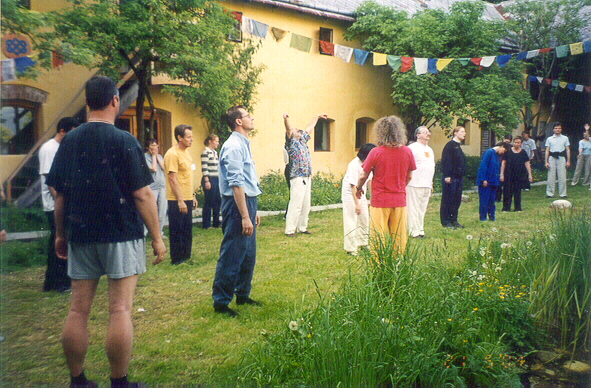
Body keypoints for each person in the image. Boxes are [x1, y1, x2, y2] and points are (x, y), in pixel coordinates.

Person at [46, 76, 166, 388]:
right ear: (115, 100)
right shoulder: (125, 141)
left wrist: (60, 234)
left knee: (77, 310)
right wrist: (156, 237)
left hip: (82, 234)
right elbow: (142, 195)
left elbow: (59, 195)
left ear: (87, 102)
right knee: (120, 310)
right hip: (121, 235)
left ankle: (78, 381)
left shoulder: (68, 141)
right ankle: (119, 382)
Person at [212, 105, 262, 317]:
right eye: (247, 115)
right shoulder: (233, 146)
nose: (251, 118)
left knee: (248, 254)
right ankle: (221, 302)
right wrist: (244, 216)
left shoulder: (243, 144)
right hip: (236, 205)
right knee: (233, 253)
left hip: (247, 202)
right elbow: (236, 184)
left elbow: (247, 182)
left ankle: (243, 294)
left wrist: (253, 211)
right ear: (239, 122)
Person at [356, 115, 416, 254]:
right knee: (399, 238)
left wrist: (359, 188)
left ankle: (378, 267)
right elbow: (410, 175)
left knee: (378, 236)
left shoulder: (376, 152)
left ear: (380, 132)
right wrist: (399, 186)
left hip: (380, 200)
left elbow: (363, 175)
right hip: (399, 200)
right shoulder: (407, 151)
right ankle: (398, 266)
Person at [39, 116, 78, 292]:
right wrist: (61, 203)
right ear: (63, 131)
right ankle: (58, 283)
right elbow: (51, 181)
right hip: (54, 205)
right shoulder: (49, 148)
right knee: (58, 242)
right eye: (71, 132)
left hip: (62, 203)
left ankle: (53, 282)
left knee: (61, 242)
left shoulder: (63, 147)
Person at [283, 112, 328, 237]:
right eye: (295, 129)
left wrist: (317, 117)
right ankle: (290, 230)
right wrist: (286, 119)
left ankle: (302, 227)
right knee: (296, 204)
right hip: (297, 176)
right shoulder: (291, 143)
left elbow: (309, 127)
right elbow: (288, 128)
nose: (298, 130)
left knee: (306, 204)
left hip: (307, 175)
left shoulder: (302, 141)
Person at [164, 124, 197, 265]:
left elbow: (188, 176)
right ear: (179, 138)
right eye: (188, 137)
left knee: (187, 228)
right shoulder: (172, 154)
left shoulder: (187, 153)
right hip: (177, 199)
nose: (192, 140)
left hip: (188, 196)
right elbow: (172, 179)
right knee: (177, 228)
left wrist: (193, 196)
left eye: (192, 137)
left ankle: (186, 255)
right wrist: (180, 200)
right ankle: (177, 259)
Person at [342, 143, 376, 255]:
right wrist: (357, 204)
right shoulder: (354, 164)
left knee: (364, 218)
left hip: (362, 193)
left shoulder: (369, 164)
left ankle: (363, 243)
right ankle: (351, 248)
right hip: (350, 194)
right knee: (351, 219)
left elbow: (370, 181)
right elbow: (353, 186)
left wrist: (372, 198)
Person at [406, 126, 435, 238]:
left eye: (428, 132)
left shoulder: (429, 149)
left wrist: (431, 183)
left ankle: (420, 230)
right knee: (413, 208)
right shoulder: (413, 148)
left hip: (426, 184)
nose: (428, 134)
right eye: (425, 132)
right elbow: (407, 165)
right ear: (418, 135)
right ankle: (413, 231)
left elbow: (431, 166)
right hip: (414, 183)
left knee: (422, 208)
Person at [440, 126, 467, 229]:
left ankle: (454, 220)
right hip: (451, 178)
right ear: (455, 133)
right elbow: (446, 161)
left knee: (456, 200)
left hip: (458, 178)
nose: (464, 133)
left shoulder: (458, 146)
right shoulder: (450, 145)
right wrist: (447, 175)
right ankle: (446, 222)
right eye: (462, 131)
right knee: (448, 200)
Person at [477, 143, 509, 221]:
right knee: (484, 200)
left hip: (493, 181)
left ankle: (492, 217)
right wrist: (484, 179)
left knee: (492, 201)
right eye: (504, 151)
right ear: (501, 147)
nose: (503, 153)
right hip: (486, 181)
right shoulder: (489, 152)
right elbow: (483, 166)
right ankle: (483, 218)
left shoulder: (497, 155)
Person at [501, 137, 533, 212]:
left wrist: (530, 175)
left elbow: (527, 163)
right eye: (515, 142)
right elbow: (503, 163)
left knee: (517, 192)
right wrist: (501, 174)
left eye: (518, 142)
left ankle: (517, 208)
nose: (516, 144)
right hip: (508, 174)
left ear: (521, 144)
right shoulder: (508, 151)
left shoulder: (523, 152)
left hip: (519, 175)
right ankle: (506, 208)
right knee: (507, 191)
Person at [144, 139, 167, 237]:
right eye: (153, 145)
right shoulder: (144, 157)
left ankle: (159, 233)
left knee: (162, 211)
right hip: (152, 188)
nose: (156, 147)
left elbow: (164, 168)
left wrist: (157, 156)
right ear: (147, 147)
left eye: (156, 145)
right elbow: (153, 168)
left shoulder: (160, 156)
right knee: (149, 211)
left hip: (162, 187)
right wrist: (153, 156)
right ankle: (144, 233)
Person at [201, 134, 221, 229]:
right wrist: (207, 180)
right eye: (216, 141)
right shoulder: (206, 152)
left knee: (217, 200)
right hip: (209, 178)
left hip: (216, 178)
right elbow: (204, 167)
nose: (217, 143)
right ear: (210, 141)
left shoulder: (215, 152)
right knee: (209, 201)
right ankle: (206, 223)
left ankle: (216, 222)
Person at [545, 123, 571, 198]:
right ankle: (550, 193)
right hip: (552, 158)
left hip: (561, 157)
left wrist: (568, 161)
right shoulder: (549, 139)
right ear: (553, 129)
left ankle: (563, 194)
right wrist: (546, 162)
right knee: (551, 176)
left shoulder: (565, 138)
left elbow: (568, 149)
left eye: (559, 128)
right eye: (556, 128)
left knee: (562, 176)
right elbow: (547, 150)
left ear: (561, 129)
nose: (557, 129)